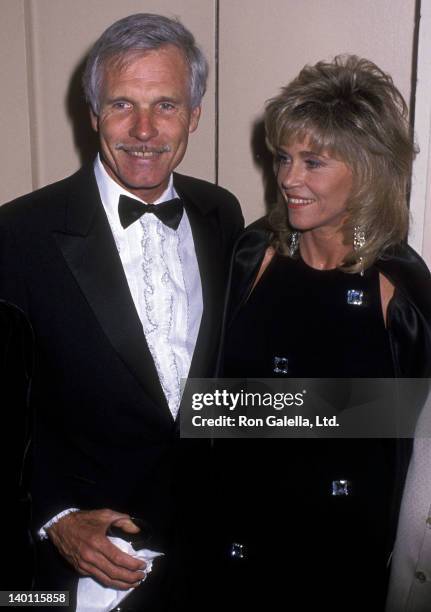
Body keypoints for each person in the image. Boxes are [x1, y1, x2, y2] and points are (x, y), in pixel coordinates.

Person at [0, 13, 243, 611]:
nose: (143, 130)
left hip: (206, 555)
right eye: (121, 105)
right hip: (76, 575)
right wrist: (55, 517)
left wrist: (366, 408)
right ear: (93, 117)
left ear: (195, 115)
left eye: (165, 105)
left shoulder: (222, 215)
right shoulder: (18, 234)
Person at [217, 55, 431, 611]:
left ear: (366, 169)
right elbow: (206, 406)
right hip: (230, 539)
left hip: (339, 556)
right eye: (284, 158)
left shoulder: (399, 288)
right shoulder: (250, 254)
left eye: (314, 162)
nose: (288, 178)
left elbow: (407, 449)